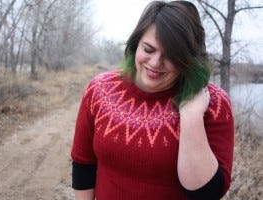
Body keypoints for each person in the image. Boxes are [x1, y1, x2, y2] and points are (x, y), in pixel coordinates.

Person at [70, 1, 234, 199]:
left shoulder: (214, 104)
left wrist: (191, 115)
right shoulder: (100, 90)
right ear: (135, 44)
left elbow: (208, 194)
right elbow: (83, 164)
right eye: (148, 49)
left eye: (171, 56)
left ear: (188, 59)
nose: (155, 63)